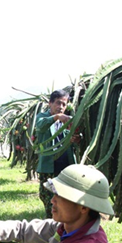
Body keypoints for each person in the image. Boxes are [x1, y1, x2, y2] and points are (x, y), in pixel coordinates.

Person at [36, 89, 80, 218]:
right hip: (49, 167)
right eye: (58, 103)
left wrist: (76, 139)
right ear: (50, 103)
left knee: (67, 198)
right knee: (48, 197)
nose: (61, 107)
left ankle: (65, 224)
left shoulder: (68, 121)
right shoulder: (43, 118)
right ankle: (52, 224)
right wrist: (55, 117)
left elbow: (73, 137)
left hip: (66, 166)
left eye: (64, 104)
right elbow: (40, 126)